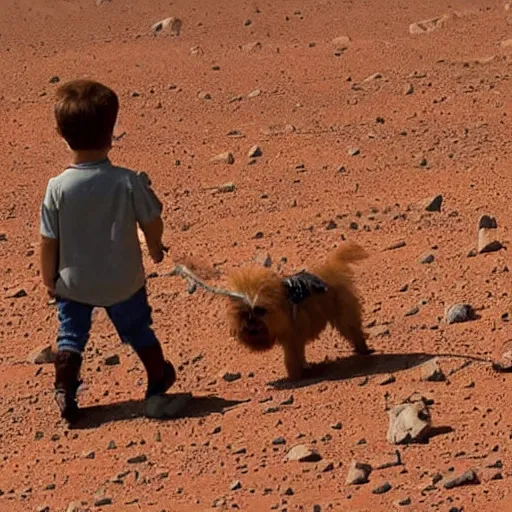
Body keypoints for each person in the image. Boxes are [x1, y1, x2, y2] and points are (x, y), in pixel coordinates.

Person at [40, 79, 176, 424]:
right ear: (112, 130)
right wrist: (156, 250)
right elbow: (152, 222)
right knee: (137, 329)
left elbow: (49, 240)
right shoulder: (127, 181)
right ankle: (158, 375)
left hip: (74, 284)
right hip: (123, 280)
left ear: (60, 132)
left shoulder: (57, 187)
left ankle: (65, 389)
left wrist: (49, 279)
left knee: (70, 336)